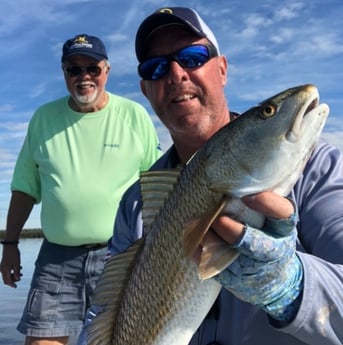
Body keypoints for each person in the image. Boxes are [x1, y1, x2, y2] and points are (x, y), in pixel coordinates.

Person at [80, 7, 343, 345]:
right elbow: (101, 313)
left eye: (192, 57)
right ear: (146, 90)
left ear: (221, 70)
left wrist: (293, 287)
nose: (176, 74)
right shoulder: (136, 202)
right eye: (156, 68)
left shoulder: (319, 169)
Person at [0, 33, 161, 345]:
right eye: (74, 69)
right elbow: (24, 189)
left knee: (125, 338)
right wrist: (9, 246)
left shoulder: (134, 115)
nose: (84, 77)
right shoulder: (43, 118)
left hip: (120, 256)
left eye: (92, 69)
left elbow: (156, 187)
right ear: (64, 74)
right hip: (55, 258)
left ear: (107, 70)